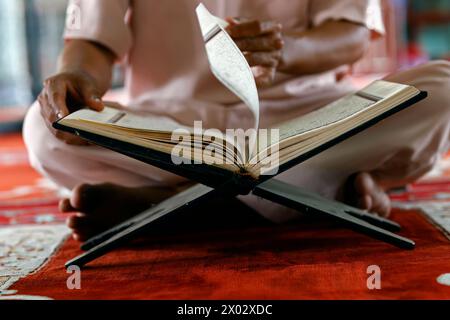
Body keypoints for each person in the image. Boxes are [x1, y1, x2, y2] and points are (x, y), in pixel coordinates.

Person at [23, 0, 450, 241]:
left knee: (441, 88)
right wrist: (76, 79)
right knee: (42, 129)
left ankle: (177, 205)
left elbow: (352, 32)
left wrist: (287, 51)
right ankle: (316, 189)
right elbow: (90, 41)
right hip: (169, 126)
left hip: (305, 118)